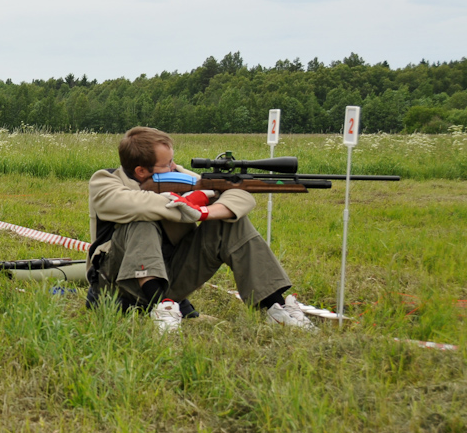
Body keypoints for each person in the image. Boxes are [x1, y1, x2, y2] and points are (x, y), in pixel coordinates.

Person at [86, 126, 316, 333]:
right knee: (141, 221)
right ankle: (160, 307)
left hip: (173, 274)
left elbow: (239, 194)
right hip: (118, 286)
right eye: (167, 164)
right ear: (141, 172)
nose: (174, 167)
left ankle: (276, 307)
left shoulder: (177, 176)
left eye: (172, 161)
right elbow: (138, 204)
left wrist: (207, 212)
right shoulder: (104, 182)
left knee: (230, 221)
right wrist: (188, 203)